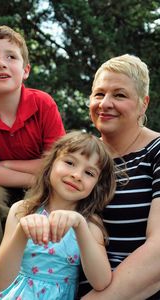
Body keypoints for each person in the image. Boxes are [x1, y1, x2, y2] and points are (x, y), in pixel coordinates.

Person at [0, 25, 65, 295]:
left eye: (11, 57)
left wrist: (3, 164)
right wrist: (33, 171)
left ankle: (34, 288)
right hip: (0, 185)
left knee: (42, 203)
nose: (1, 64)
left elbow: (56, 163)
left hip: (41, 184)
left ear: (26, 70)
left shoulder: (43, 103)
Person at [0, 130, 116, 300]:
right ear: (50, 165)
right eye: (70, 162)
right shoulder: (21, 211)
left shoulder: (89, 226)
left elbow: (101, 282)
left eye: (89, 173)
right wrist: (22, 232)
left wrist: (79, 225)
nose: (76, 175)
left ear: (97, 185)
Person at [78, 54, 160, 300]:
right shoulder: (80, 158)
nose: (105, 103)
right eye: (99, 94)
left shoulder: (156, 150)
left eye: (120, 95)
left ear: (143, 103)